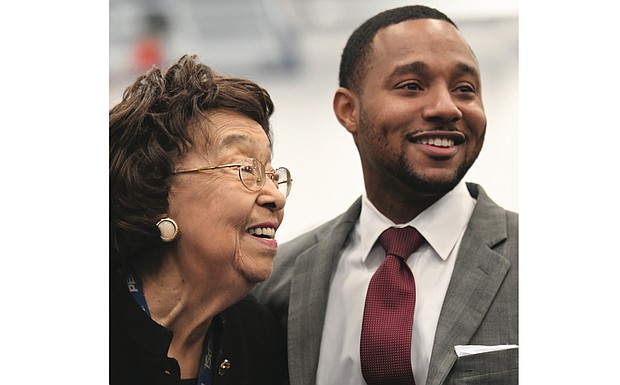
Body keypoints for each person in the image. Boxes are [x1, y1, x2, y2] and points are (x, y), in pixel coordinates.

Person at [253, 5, 517, 385]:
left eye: (465, 89)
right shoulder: (278, 282)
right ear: (349, 110)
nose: (447, 107)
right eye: (411, 86)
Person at [109, 54, 292, 385]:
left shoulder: (258, 337)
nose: (275, 197)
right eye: (245, 169)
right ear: (156, 191)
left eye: (271, 174)